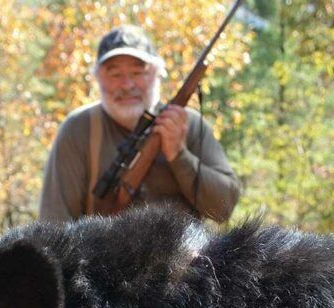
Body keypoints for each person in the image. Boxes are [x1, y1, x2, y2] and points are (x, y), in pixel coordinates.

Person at [39, 26, 240, 223]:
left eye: (137, 73)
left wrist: (179, 155)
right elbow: (54, 224)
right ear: (99, 79)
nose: (127, 85)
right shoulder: (78, 129)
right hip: (103, 255)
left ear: (156, 75)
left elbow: (223, 209)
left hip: (185, 255)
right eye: (115, 75)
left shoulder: (189, 125)